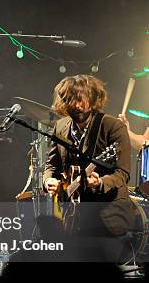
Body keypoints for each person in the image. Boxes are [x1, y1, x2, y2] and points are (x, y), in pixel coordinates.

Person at [42, 75, 135, 256]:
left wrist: (99, 182)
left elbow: (122, 173)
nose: (76, 105)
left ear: (93, 98)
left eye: (81, 99)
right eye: (70, 100)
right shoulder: (60, 126)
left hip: (107, 216)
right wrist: (48, 181)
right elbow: (51, 165)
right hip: (73, 218)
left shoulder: (112, 126)